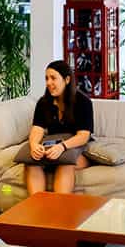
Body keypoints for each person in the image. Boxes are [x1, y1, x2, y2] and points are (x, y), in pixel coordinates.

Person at [24, 60, 94, 195]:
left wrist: (62, 147)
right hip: (52, 149)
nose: (48, 83)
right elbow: (37, 129)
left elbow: (83, 136)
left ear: (67, 80)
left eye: (53, 78)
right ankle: (37, 205)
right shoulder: (43, 102)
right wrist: (34, 145)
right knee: (32, 163)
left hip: (76, 149)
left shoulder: (83, 102)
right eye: (46, 78)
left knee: (65, 163)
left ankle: (59, 206)